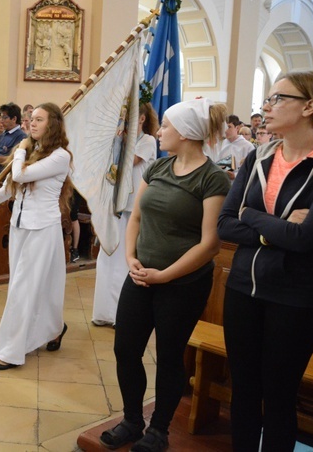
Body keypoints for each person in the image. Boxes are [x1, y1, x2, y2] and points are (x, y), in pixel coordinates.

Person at [100, 98, 229, 452]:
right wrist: (130, 258)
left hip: (183, 283)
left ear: (186, 133)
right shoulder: (158, 167)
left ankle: (159, 430)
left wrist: (165, 275)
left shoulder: (212, 178)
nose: (159, 131)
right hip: (141, 276)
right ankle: (131, 420)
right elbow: (137, 218)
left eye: (166, 126)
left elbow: (210, 244)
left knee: (170, 356)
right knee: (125, 349)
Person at [217, 71, 313, 452]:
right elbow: (224, 224)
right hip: (242, 291)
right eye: (266, 100)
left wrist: (251, 215)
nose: (265, 107)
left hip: (295, 299)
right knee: (244, 392)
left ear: (309, 107)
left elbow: (306, 238)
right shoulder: (258, 156)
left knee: (280, 397)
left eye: (277, 99)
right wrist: (273, 228)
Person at [0, 103, 73, 369]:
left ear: (53, 124)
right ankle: (54, 328)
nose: (32, 123)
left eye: (39, 119)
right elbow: (11, 187)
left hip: (42, 228)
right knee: (34, 286)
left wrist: (18, 152)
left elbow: (19, 173)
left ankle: (10, 352)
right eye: (31, 119)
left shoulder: (60, 156)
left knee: (23, 289)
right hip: (20, 226)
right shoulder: (34, 150)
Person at [92, 102, 158, 327]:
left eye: (128, 116)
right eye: (122, 116)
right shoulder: (118, 139)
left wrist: (119, 140)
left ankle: (119, 314)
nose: (124, 120)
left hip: (134, 205)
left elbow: (132, 161)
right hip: (114, 201)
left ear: (141, 118)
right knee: (108, 253)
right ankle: (103, 312)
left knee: (124, 257)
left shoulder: (148, 140)